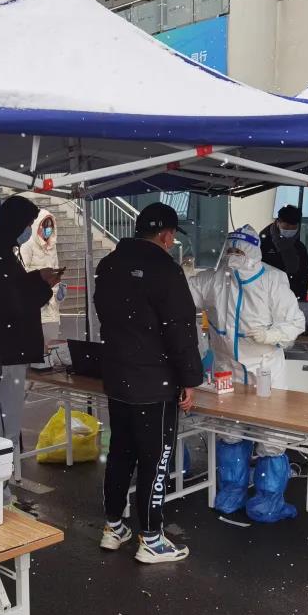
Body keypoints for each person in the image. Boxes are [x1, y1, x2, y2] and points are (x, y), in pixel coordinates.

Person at [94, 203, 202, 562]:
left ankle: (114, 526)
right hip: (154, 383)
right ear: (166, 235)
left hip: (118, 377)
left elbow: (105, 313)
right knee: (155, 461)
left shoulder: (109, 265)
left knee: (120, 454)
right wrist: (190, 379)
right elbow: (180, 329)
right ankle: (152, 539)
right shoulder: (166, 269)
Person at [190, 225, 306, 523]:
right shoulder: (214, 279)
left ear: (253, 252)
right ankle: (232, 492)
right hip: (226, 370)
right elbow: (181, 296)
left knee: (270, 436)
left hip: (265, 371)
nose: (233, 255)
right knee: (230, 433)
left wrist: (270, 335)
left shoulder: (272, 280)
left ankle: (268, 500)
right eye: (230, 249)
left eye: (239, 250)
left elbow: (295, 323)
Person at [0, 196, 57, 488]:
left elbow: (6, 292)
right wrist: (42, 285)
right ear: (15, 223)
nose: (28, 230)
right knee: (4, 425)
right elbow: (12, 303)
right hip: (5, 351)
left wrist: (35, 278)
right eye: (27, 224)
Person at [19, 206, 62, 344]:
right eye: (45, 225)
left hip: (53, 308)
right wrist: (41, 281)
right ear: (37, 225)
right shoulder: (27, 246)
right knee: (38, 346)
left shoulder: (52, 247)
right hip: (37, 306)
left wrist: (59, 290)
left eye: (50, 226)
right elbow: (23, 275)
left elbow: (55, 269)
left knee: (52, 346)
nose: (48, 229)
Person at [260, 205, 308, 302]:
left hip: (291, 297)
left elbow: (303, 278)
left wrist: (300, 300)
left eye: (293, 227)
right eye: (286, 226)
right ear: (278, 223)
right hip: (267, 297)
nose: (289, 230)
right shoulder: (262, 243)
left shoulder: (299, 248)